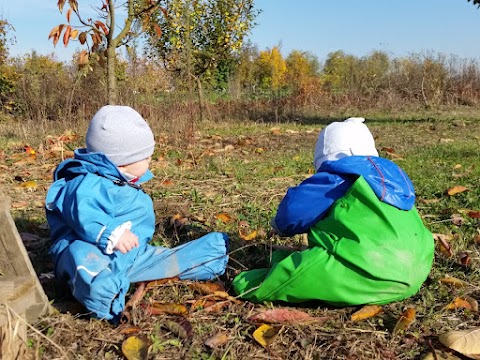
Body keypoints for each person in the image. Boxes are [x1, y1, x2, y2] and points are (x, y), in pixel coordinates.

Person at [46, 105, 229, 321]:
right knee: (79, 255)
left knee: (168, 259)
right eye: (145, 158)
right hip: (93, 250)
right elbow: (83, 212)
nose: (150, 161)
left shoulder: (122, 180)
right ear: (121, 162)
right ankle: (102, 292)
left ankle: (211, 255)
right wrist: (111, 234)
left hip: (130, 255)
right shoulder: (87, 183)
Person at [232, 117, 434, 306]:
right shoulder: (395, 179)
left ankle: (245, 282)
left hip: (372, 272)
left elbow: (292, 213)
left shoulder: (337, 177)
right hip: (416, 271)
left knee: (298, 273)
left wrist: (279, 226)